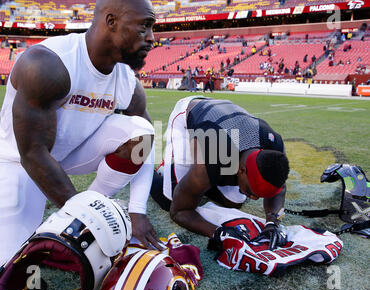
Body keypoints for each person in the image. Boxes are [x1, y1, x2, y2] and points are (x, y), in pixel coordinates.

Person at [0, 0, 163, 266]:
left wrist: (137, 212)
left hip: (72, 152)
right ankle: (82, 211)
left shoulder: (127, 81)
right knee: (13, 267)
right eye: (144, 26)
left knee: (142, 130)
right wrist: (86, 216)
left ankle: (94, 200)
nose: (151, 38)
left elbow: (147, 145)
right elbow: (32, 153)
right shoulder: (47, 63)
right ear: (111, 22)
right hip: (18, 159)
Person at [150, 96, 290, 250]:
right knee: (170, 201)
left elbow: (279, 187)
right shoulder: (210, 156)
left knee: (233, 203)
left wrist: (272, 222)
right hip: (188, 117)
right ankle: (150, 171)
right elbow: (179, 212)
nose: (254, 198)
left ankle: (203, 183)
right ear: (242, 170)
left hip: (226, 122)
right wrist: (218, 232)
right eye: (252, 192)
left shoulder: (275, 146)